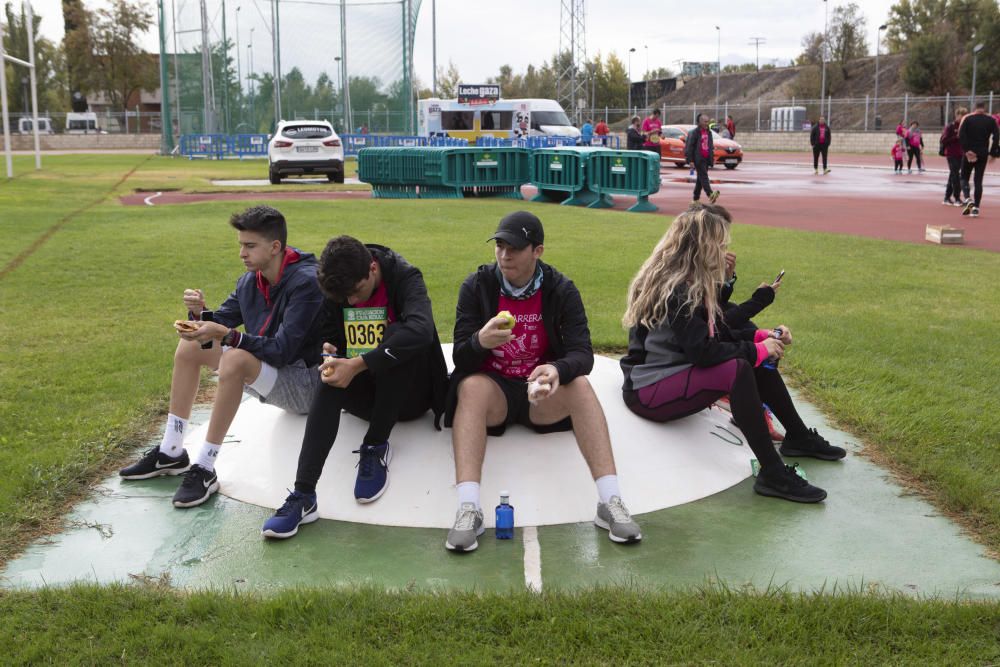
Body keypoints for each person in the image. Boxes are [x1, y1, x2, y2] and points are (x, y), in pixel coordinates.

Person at [443, 211, 642, 552]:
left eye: (515, 248)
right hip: (495, 392)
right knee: (471, 387)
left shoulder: (560, 289)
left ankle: (610, 502)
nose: (505, 255)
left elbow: (583, 354)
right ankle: (468, 508)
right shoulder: (476, 286)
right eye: (500, 246)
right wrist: (480, 342)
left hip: (541, 391)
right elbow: (461, 356)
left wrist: (556, 371)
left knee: (579, 385)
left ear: (538, 251)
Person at [620, 203, 845, 504]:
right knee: (740, 366)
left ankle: (798, 437)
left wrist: (764, 338)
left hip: (669, 375)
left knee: (751, 358)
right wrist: (756, 348)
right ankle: (773, 473)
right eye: (721, 243)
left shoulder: (687, 282)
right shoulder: (677, 289)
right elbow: (704, 352)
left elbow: (717, 334)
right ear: (702, 246)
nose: (726, 250)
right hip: (647, 390)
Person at [119, 206, 325, 508]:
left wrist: (229, 336)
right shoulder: (250, 281)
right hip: (273, 373)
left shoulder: (307, 282)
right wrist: (198, 315)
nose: (242, 253)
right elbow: (222, 320)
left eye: (250, 246)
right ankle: (172, 451)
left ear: (275, 247)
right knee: (190, 347)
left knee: (235, 358)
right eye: (241, 244)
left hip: (306, 385)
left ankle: (205, 467)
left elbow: (283, 351)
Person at [261, 236, 450, 539]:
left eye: (356, 292)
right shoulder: (339, 286)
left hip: (412, 394)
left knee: (400, 336)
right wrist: (329, 351)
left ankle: (375, 446)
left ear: (373, 269)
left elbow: (421, 330)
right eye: (343, 298)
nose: (351, 302)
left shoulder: (405, 276)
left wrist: (361, 362)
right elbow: (328, 333)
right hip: (365, 393)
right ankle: (304, 494)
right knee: (332, 372)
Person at [959, 101, 1000, 218]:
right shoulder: (991, 120)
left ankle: (967, 198)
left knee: (964, 177)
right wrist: (993, 153)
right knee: (978, 180)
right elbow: (996, 136)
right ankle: (976, 207)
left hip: (970, 153)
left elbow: (961, 136)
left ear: (974, 108)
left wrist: (967, 150)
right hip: (982, 153)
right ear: (984, 108)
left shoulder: (968, 119)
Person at [684, 113, 719, 204]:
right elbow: (689, 147)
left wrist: (711, 156)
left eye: (708, 121)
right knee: (704, 177)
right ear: (699, 122)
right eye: (705, 121)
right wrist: (690, 160)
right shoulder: (694, 133)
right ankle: (710, 194)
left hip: (706, 158)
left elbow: (710, 145)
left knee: (700, 179)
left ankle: (695, 199)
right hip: (698, 158)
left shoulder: (709, 132)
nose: (707, 123)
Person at [941, 107, 969, 206]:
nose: (964, 117)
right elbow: (943, 140)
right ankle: (957, 198)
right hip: (951, 154)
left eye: (965, 115)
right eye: (962, 115)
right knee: (956, 176)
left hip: (961, 154)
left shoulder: (965, 126)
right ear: (957, 115)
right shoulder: (950, 126)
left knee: (953, 175)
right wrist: (956, 137)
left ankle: (946, 197)